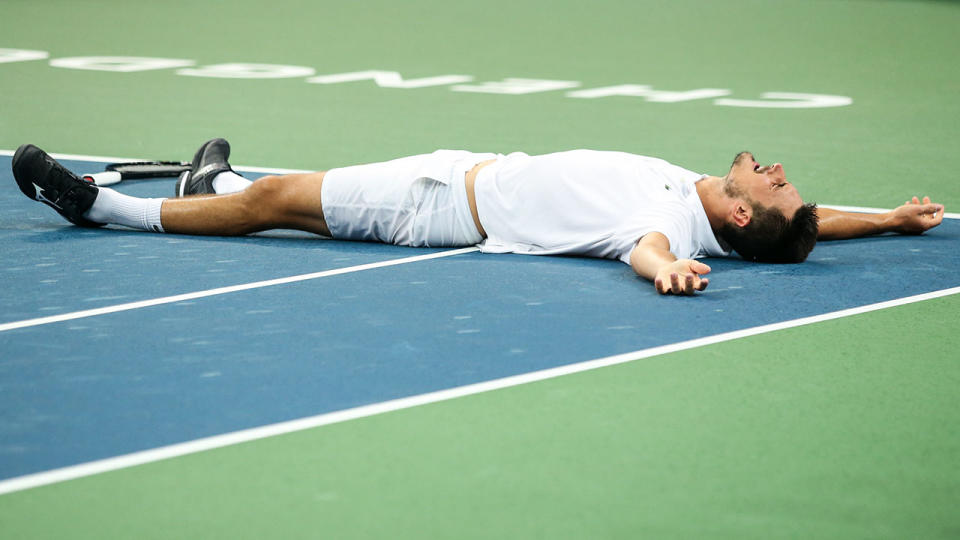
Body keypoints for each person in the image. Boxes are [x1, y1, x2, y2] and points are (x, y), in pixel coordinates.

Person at [11, 140, 944, 295]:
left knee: (276, 201)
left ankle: (104, 210)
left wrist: (662, 271)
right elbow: (813, 227)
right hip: (457, 178)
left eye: (773, 184)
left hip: (439, 204)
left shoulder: (662, 216)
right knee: (288, 203)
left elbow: (645, 247)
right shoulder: (717, 206)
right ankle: (204, 186)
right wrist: (892, 222)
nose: (776, 169)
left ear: (739, 216)